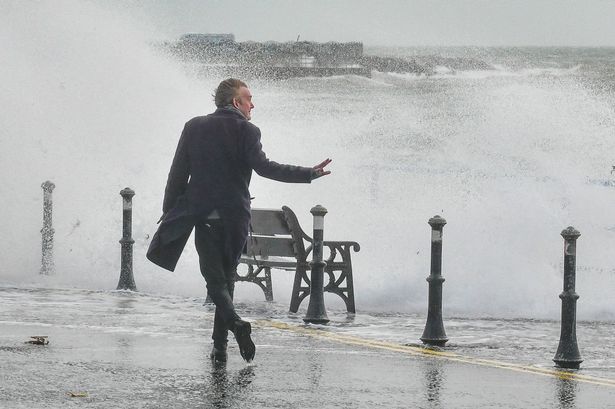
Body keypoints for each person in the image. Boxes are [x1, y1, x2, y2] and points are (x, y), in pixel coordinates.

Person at [146, 78, 331, 363]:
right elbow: (266, 168)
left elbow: (177, 174)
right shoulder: (248, 130)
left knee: (214, 281)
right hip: (234, 217)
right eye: (249, 99)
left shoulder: (194, 126)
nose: (252, 104)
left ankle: (229, 333)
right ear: (236, 102)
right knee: (226, 278)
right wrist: (308, 173)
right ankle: (221, 344)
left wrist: (171, 214)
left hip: (203, 216)